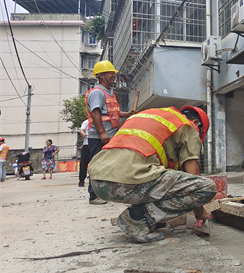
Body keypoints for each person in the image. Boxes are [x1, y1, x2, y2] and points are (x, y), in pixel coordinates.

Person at [88, 106, 216, 243]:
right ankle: (137, 218)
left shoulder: (150, 116)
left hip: (98, 182)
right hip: (125, 182)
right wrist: (199, 211)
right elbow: (193, 176)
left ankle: (148, 219)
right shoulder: (188, 126)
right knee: (207, 187)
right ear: (196, 123)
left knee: (160, 178)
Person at [85, 60, 134, 204]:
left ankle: (106, 192)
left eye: (113, 73)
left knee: (107, 165)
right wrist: (102, 133)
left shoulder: (108, 93)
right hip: (100, 136)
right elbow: (96, 113)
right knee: (98, 164)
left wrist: (127, 114)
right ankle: (93, 195)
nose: (113, 75)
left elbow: (111, 113)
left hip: (109, 135)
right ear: (101, 76)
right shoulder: (97, 92)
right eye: (110, 73)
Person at [78, 119, 90, 187]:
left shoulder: (100, 120)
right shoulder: (86, 122)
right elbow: (81, 129)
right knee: (83, 163)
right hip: (86, 145)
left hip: (96, 143)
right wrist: (83, 133)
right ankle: (81, 180)